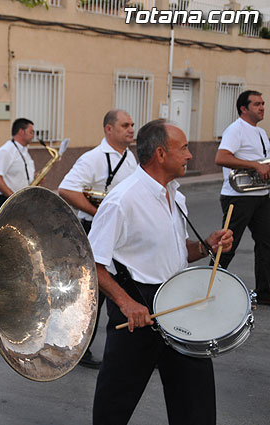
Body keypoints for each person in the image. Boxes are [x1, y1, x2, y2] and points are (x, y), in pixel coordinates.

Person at [89, 119, 233, 425]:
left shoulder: (175, 196)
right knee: (113, 407)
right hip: (136, 309)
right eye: (183, 148)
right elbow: (91, 263)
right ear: (160, 154)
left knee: (196, 403)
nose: (190, 155)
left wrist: (207, 246)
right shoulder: (122, 200)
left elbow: (179, 250)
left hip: (180, 307)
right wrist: (126, 303)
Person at [57, 109, 137, 368]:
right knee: (94, 292)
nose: (131, 129)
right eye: (125, 125)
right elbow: (67, 189)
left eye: (132, 125)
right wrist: (99, 211)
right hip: (94, 228)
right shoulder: (93, 158)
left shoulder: (131, 157)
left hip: (122, 234)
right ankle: (80, 349)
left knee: (125, 285)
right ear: (109, 129)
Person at [214, 90, 270, 305]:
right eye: (257, 104)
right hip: (238, 197)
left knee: (266, 243)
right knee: (228, 245)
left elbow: (262, 161)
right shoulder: (235, 130)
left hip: (261, 195)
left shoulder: (261, 132)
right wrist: (255, 165)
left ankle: (265, 292)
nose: (262, 107)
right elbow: (221, 157)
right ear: (243, 109)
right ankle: (208, 287)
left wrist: (263, 165)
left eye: (263, 103)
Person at [0, 118, 36, 210]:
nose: (33, 136)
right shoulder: (6, 150)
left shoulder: (24, 151)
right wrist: (13, 197)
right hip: (9, 201)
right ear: (21, 131)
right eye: (31, 132)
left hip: (23, 200)